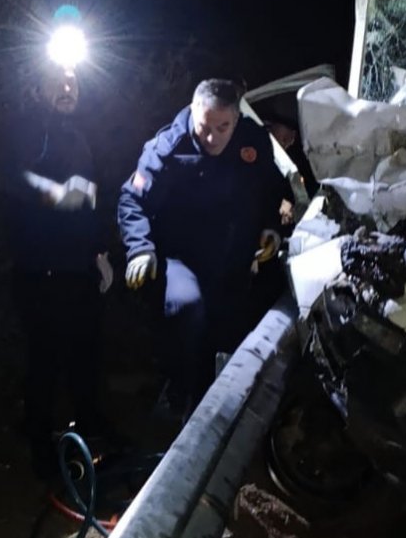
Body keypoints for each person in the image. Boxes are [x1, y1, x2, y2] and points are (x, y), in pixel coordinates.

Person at [118, 78, 292, 418]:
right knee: (188, 311)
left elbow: (269, 190)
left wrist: (270, 227)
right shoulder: (168, 147)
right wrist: (139, 248)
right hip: (181, 258)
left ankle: (217, 414)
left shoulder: (253, 140)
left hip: (232, 258)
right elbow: (131, 199)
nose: (212, 138)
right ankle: (179, 397)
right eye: (204, 128)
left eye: (222, 128)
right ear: (193, 112)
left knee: (229, 335)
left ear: (236, 119)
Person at [1, 62, 115, 478]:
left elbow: (90, 200)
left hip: (78, 267)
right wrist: (53, 193)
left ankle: (89, 425)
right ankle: (40, 443)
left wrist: (100, 252)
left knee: (86, 351)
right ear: (37, 90)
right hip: (40, 268)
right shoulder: (25, 130)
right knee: (44, 359)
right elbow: (14, 178)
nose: (68, 89)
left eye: (74, 82)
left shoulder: (78, 135)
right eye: (58, 83)